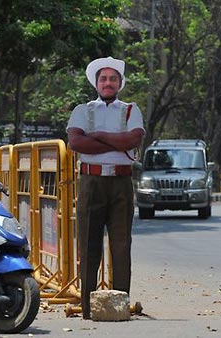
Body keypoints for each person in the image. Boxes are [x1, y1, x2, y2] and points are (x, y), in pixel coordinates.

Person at [66, 57, 145, 319]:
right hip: (91, 182)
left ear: (120, 83)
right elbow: (77, 143)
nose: (108, 83)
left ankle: (119, 306)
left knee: (121, 245)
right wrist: (117, 144)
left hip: (122, 182)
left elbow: (134, 138)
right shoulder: (82, 110)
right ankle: (88, 308)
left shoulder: (131, 110)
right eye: (103, 79)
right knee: (89, 244)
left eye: (113, 79)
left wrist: (97, 136)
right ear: (96, 83)